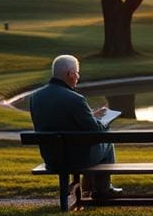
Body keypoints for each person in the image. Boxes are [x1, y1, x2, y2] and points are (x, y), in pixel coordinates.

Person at [28, 54, 121, 198]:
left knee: (90, 144)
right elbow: (96, 131)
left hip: (52, 159)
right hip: (77, 159)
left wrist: (91, 115)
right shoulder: (75, 98)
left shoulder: (35, 97)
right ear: (70, 73)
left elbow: (59, 121)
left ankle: (88, 187)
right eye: (77, 73)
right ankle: (103, 190)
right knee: (106, 140)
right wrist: (106, 121)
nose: (78, 76)